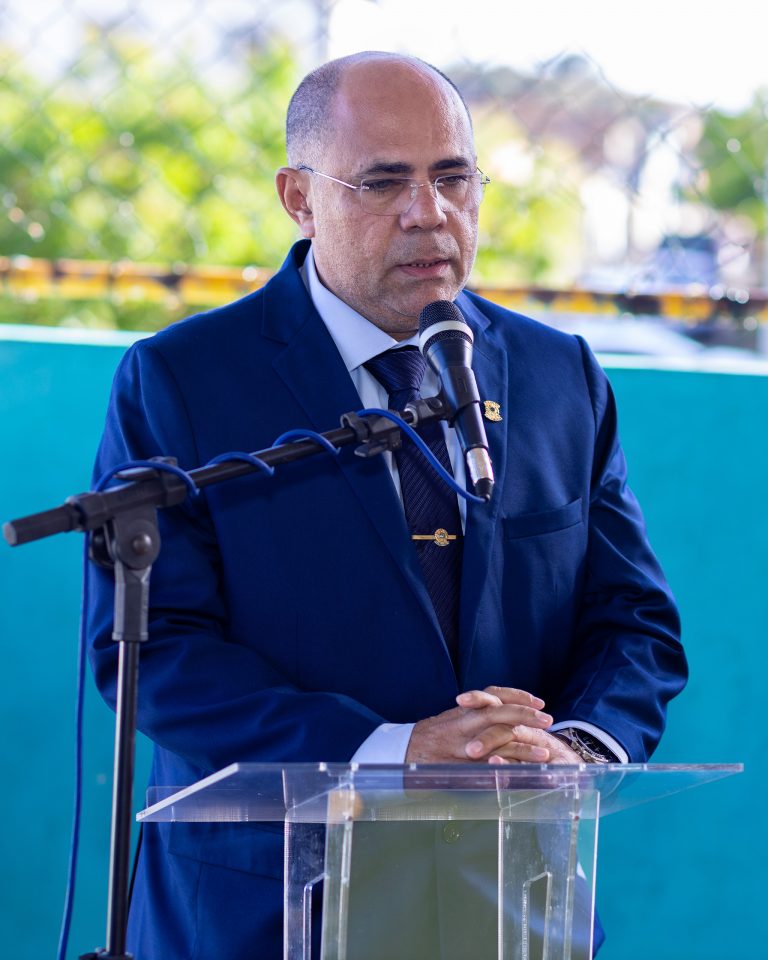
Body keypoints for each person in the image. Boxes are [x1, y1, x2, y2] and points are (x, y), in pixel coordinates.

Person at [87, 51, 687, 959]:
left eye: (453, 177)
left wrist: (576, 746)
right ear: (299, 198)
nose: (429, 213)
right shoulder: (183, 379)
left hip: (509, 900)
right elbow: (153, 651)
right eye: (383, 183)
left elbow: (634, 619)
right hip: (264, 912)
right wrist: (389, 751)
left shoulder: (558, 374)